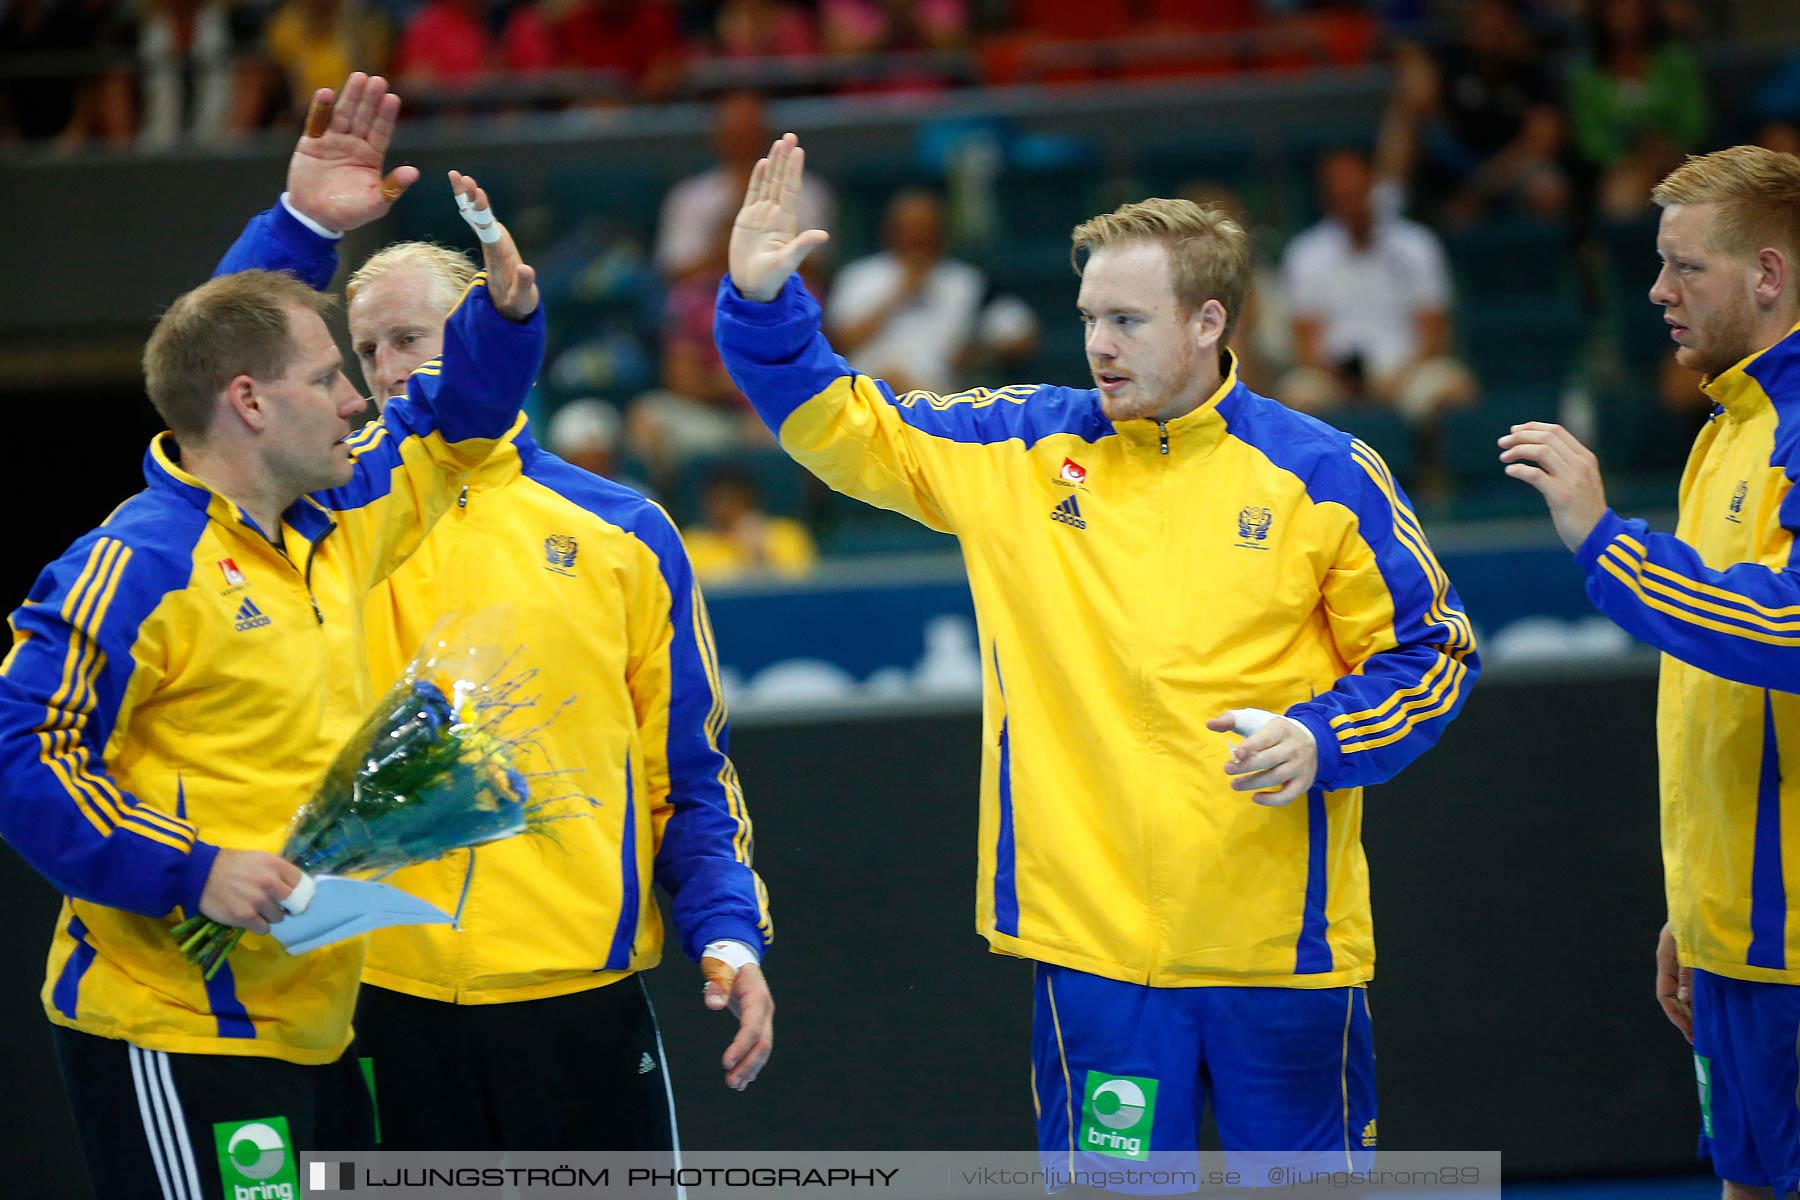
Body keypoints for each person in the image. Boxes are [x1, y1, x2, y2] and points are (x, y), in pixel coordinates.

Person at [717, 134, 1478, 1184]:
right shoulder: (1020, 446)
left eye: (1127, 321)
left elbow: (1432, 652)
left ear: (1210, 322)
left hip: (1284, 953)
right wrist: (764, 310)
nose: (1099, 348)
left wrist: (1322, 735)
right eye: (1088, 320)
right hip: (1095, 957)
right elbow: (847, 429)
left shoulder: (1323, 475)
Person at [215, 72, 774, 1152]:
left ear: (483, 332)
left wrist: (729, 936)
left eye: (411, 340)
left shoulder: (626, 531)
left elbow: (687, 774)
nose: (385, 375)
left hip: (574, 993)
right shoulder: (322, 512)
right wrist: (295, 231)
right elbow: (220, 374)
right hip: (372, 988)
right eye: (362, 354)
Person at [0, 93, 543, 1199]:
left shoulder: (343, 519)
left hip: (313, 1021)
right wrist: (191, 871)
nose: (363, 400)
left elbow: (461, 412)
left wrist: (503, 315)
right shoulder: (137, 565)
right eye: (331, 380)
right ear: (248, 404)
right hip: (174, 1026)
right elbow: (23, 755)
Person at [1499, 144, 1800, 1200]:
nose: (1657, 290)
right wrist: (1700, 906)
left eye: (1686, 268)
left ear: (1769, 275)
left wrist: (1601, 538)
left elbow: (1791, 632)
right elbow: (1720, 699)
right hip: (1740, 942)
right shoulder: (1728, 424)